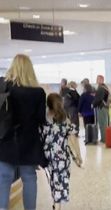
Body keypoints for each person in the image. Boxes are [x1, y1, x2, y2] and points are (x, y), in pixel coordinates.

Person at [0, 54, 46, 210]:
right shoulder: (38, 92)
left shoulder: (4, 89)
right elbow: (41, 119)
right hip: (29, 141)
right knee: (29, 178)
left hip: (6, 139)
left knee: (4, 178)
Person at [41, 93, 77, 210]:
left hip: (48, 157)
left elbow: (40, 137)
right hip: (62, 157)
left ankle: (55, 204)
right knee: (60, 182)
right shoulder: (64, 117)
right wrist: (79, 156)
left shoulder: (43, 118)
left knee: (53, 180)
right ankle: (57, 206)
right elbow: (73, 138)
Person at [92, 75, 109, 143]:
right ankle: (103, 138)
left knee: (103, 123)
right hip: (103, 107)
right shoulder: (103, 87)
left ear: (102, 80)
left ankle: (104, 139)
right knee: (102, 123)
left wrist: (93, 104)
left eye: (98, 79)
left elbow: (99, 98)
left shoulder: (101, 88)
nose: (97, 80)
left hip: (102, 107)